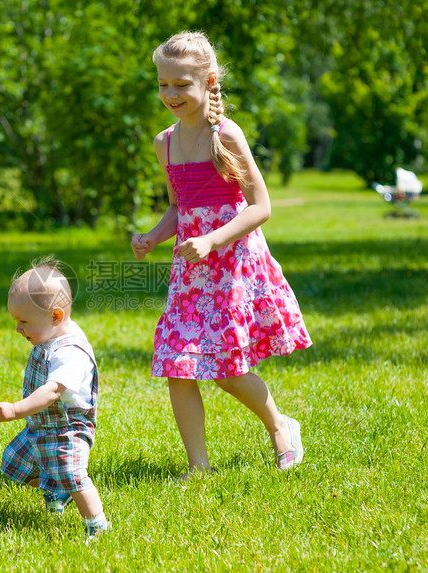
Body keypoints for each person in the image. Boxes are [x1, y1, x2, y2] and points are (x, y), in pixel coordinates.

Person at [130, 31, 312, 478]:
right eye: (163, 84)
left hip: (231, 263)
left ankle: (280, 425)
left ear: (208, 82)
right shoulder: (164, 143)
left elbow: (261, 206)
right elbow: (179, 207)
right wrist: (153, 236)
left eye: (181, 85)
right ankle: (199, 469)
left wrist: (214, 240)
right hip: (190, 270)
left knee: (227, 368)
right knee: (178, 364)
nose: (170, 94)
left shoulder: (225, 134)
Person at [0, 258, 110, 542]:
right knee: (15, 463)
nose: (18, 330)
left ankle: (97, 524)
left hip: (67, 428)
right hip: (41, 425)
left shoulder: (70, 351)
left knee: (73, 474)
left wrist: (15, 409)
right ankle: (56, 489)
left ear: (56, 317)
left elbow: (52, 391)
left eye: (23, 322)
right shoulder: (49, 335)